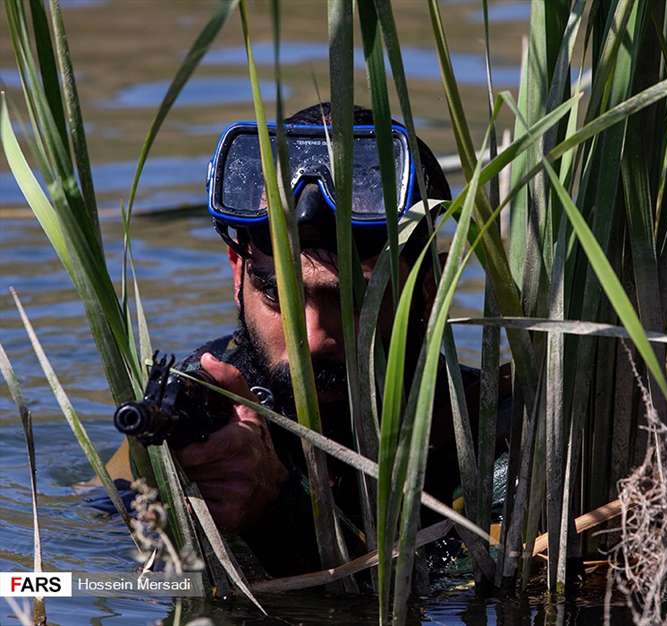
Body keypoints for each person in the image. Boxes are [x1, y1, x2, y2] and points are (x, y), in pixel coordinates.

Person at [104, 102, 510, 578]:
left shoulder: (494, 434)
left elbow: (459, 594)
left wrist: (276, 512)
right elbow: (96, 548)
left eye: (356, 300)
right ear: (238, 273)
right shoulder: (199, 406)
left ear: (428, 287)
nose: (313, 338)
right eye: (279, 297)